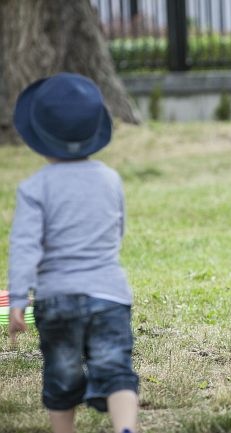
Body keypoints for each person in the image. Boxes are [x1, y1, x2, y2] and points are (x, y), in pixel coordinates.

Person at [8, 73, 139, 433]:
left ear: (38, 136)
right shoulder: (110, 179)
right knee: (116, 370)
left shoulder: (34, 188)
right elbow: (118, 230)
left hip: (57, 300)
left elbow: (24, 247)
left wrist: (18, 299)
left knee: (62, 377)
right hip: (110, 295)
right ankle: (126, 428)